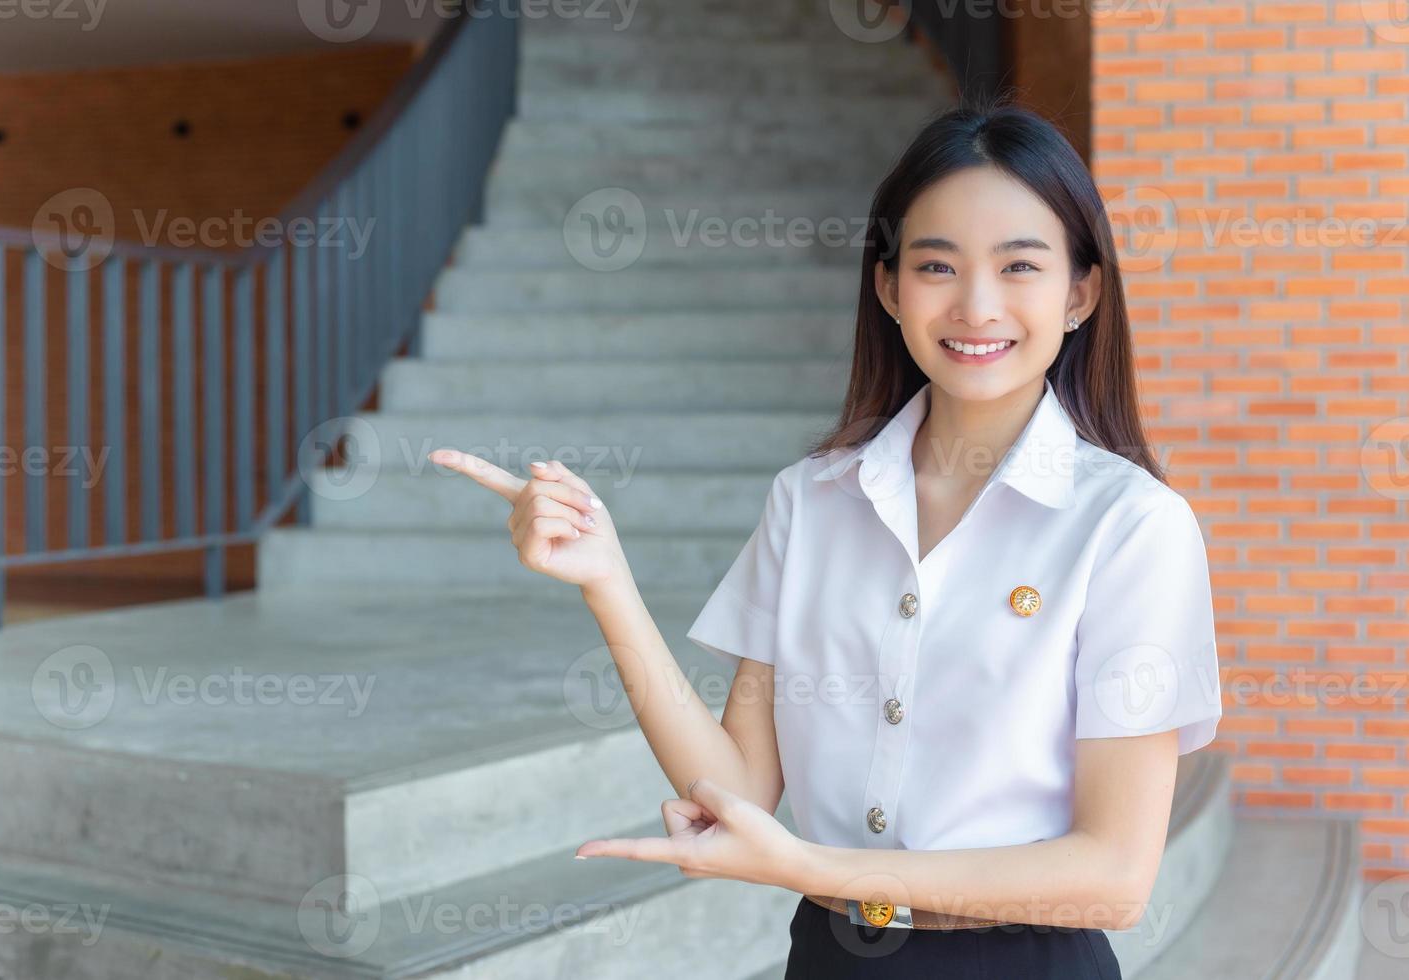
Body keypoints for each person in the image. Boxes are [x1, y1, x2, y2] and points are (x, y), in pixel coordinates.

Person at [429, 95, 1222, 979]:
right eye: (936, 266)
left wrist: (813, 867)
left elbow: (1113, 879)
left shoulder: (1131, 527)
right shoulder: (810, 502)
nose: (977, 304)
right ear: (888, 287)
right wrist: (606, 580)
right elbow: (734, 790)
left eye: (1020, 266)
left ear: (1081, 292)